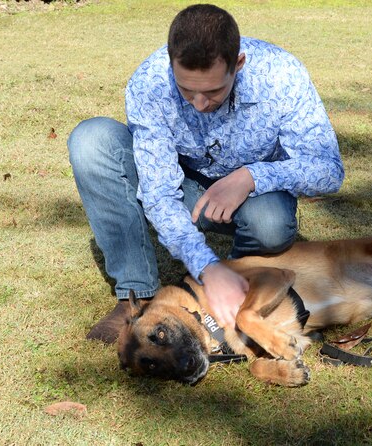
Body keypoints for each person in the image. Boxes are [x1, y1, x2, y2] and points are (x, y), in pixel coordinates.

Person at [67, 4, 344, 343]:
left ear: (237, 65)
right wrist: (206, 267)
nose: (199, 103)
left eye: (213, 91)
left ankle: (236, 287)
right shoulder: (150, 82)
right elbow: (159, 192)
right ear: (171, 64)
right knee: (91, 139)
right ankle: (136, 296)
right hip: (182, 185)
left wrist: (251, 178)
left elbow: (328, 170)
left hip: (254, 197)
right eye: (187, 91)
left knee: (270, 224)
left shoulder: (281, 75)